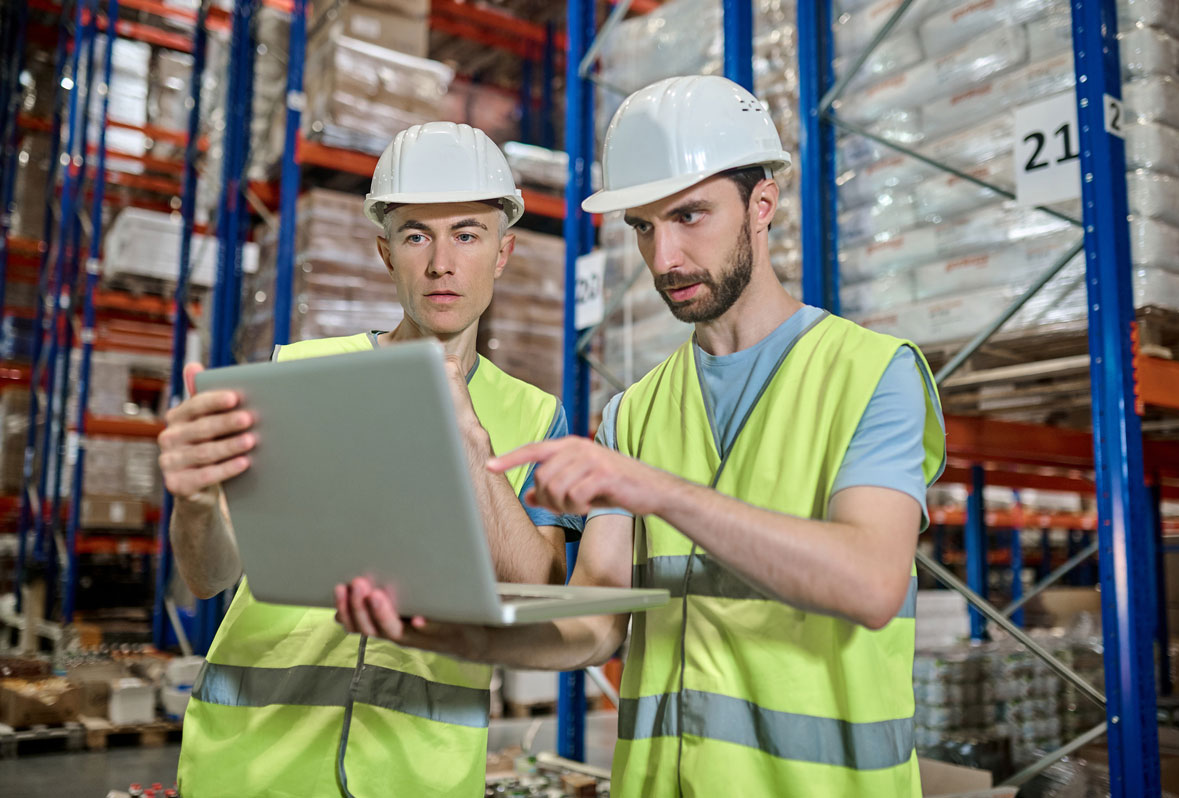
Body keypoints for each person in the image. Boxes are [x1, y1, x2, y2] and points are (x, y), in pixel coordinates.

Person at [335, 76, 948, 797]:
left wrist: (654, 489)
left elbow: (871, 582)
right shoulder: (636, 413)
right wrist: (453, 637)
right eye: (645, 227)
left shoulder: (872, 374)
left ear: (763, 204)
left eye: (690, 217)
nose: (665, 259)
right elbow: (596, 624)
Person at [157, 122, 582, 796]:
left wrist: (470, 442)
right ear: (386, 251)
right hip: (254, 767)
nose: (442, 262)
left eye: (468, 234)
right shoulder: (296, 377)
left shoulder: (535, 418)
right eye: (417, 235)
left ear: (502, 253)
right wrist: (196, 503)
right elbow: (210, 575)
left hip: (419, 775)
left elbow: (543, 595)